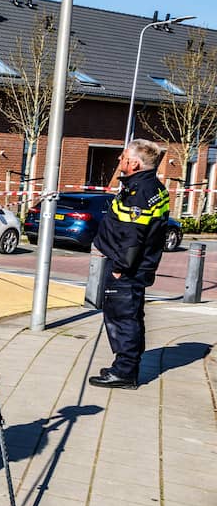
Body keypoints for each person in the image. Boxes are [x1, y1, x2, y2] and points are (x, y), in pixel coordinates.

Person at [89, 139, 169, 390]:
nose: (119, 159)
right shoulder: (153, 188)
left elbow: (133, 235)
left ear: (134, 164)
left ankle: (124, 372)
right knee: (131, 316)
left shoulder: (139, 193)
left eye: (123, 157)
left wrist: (119, 268)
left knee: (122, 318)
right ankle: (125, 367)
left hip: (127, 269)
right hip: (136, 266)